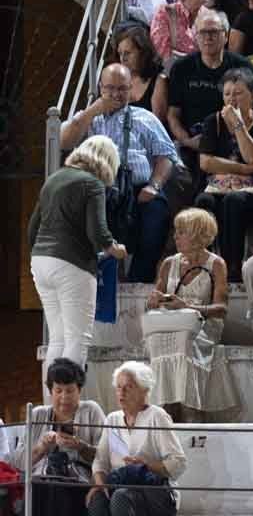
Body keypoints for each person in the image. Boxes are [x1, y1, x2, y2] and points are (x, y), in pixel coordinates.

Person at [58, 63, 179, 283]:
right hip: (99, 188)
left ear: (130, 88)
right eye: (110, 88)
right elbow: (65, 141)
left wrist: (155, 185)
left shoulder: (145, 117)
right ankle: (98, 279)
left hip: (137, 188)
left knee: (157, 213)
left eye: (122, 89)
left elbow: (167, 156)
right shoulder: (88, 118)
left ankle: (137, 281)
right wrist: (95, 109)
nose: (116, 94)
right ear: (100, 87)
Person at [29, 136, 127, 380]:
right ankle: (68, 407)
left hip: (40, 263)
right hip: (72, 265)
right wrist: (115, 249)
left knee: (57, 339)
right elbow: (98, 235)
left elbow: (33, 229)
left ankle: (53, 407)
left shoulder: (54, 179)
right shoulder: (92, 184)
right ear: (108, 161)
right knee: (77, 339)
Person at [145, 207, 238, 420]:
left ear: (198, 235)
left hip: (204, 326)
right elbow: (154, 301)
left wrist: (187, 306)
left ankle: (190, 415)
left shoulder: (216, 264)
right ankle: (168, 415)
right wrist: (153, 302)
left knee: (182, 342)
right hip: (172, 325)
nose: (175, 236)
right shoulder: (169, 263)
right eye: (176, 231)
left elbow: (221, 310)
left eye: (182, 232)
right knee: (166, 340)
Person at [195, 67, 253, 279]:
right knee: (203, 201)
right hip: (217, 186)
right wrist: (245, 169)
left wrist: (238, 126)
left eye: (238, 93)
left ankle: (231, 268)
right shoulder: (212, 121)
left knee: (234, 201)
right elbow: (206, 162)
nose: (232, 99)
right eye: (227, 94)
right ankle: (200, 264)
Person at [87, 362, 187, 516]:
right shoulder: (112, 419)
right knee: (97, 499)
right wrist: (100, 484)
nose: (122, 392)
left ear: (144, 390)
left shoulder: (157, 416)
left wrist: (146, 465)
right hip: (120, 484)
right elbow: (100, 461)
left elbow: (178, 462)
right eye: (119, 387)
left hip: (155, 490)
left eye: (129, 387)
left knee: (121, 497)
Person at [164, 10, 253, 181]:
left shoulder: (241, 66)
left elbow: (251, 111)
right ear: (196, 36)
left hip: (233, 141)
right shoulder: (182, 68)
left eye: (213, 32)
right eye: (202, 32)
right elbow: (173, 115)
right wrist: (187, 141)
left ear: (225, 36)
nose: (208, 37)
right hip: (193, 141)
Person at [28, 358, 106, 516]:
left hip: (79, 483)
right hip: (40, 483)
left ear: (79, 390)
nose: (64, 397)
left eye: (70, 390)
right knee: (42, 487)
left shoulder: (92, 410)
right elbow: (19, 462)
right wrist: (42, 447)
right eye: (58, 391)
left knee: (57, 489)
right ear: (50, 391)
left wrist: (81, 447)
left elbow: (106, 457)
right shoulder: (38, 414)